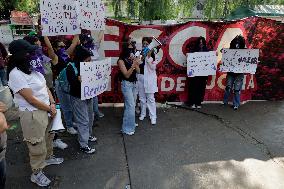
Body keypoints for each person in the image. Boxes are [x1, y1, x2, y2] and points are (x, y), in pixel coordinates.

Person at [7, 39, 63, 187]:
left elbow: (45, 88)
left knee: (48, 136)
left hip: (46, 109)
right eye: (30, 52)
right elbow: (31, 99)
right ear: (21, 55)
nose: (34, 54)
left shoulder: (34, 69)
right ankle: (37, 172)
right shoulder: (15, 74)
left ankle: (48, 157)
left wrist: (52, 103)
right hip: (32, 114)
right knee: (36, 143)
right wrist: (49, 108)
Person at [23, 34, 68, 150]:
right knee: (42, 120)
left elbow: (51, 51)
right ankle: (41, 145)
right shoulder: (26, 63)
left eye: (40, 45)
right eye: (35, 45)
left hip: (50, 91)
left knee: (53, 116)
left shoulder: (44, 57)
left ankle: (54, 139)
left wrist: (45, 35)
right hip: (38, 96)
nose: (39, 47)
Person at [66, 45, 96, 154]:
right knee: (83, 120)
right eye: (87, 59)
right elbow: (72, 83)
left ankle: (87, 135)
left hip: (89, 95)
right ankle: (83, 144)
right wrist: (78, 80)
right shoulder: (71, 67)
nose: (90, 61)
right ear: (81, 58)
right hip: (77, 97)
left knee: (90, 116)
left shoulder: (88, 65)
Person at [53, 36, 80, 135]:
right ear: (55, 48)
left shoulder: (66, 55)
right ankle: (69, 126)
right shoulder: (55, 57)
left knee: (72, 105)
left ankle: (71, 122)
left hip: (69, 83)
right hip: (61, 85)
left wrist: (77, 30)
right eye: (60, 47)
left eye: (64, 46)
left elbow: (74, 43)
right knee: (66, 106)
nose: (63, 48)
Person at [118, 38, 141, 135]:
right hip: (126, 84)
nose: (132, 50)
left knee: (131, 105)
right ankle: (127, 128)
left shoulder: (132, 58)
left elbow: (139, 71)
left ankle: (130, 122)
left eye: (133, 48)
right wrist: (133, 65)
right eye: (130, 48)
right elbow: (126, 75)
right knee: (131, 106)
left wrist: (136, 63)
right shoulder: (121, 60)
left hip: (134, 84)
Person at [79, 32, 104, 120]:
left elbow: (99, 40)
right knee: (89, 95)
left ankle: (95, 111)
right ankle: (90, 113)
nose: (91, 42)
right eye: (88, 40)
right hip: (86, 76)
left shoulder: (94, 47)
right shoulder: (82, 50)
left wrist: (102, 28)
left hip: (95, 75)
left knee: (95, 94)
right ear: (84, 41)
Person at [137, 37, 158, 125]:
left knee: (150, 99)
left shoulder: (154, 54)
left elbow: (153, 67)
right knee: (142, 98)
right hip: (140, 78)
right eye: (143, 44)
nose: (144, 45)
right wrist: (141, 57)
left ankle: (153, 116)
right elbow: (137, 64)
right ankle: (143, 113)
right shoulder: (139, 53)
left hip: (149, 79)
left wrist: (149, 57)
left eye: (146, 44)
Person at [222, 35, 246, 110]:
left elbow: (250, 57)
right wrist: (222, 51)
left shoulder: (245, 51)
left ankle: (236, 104)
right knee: (228, 88)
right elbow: (225, 53)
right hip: (231, 73)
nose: (237, 44)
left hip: (239, 74)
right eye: (236, 42)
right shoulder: (230, 50)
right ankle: (225, 102)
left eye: (238, 42)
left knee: (236, 89)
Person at [186, 36, 209, 109]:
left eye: (202, 43)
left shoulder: (207, 50)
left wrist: (215, 55)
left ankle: (198, 102)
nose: (201, 44)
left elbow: (210, 59)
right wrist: (187, 55)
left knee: (201, 88)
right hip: (194, 74)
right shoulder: (193, 50)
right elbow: (189, 58)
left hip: (203, 74)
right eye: (200, 43)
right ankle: (192, 102)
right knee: (193, 88)